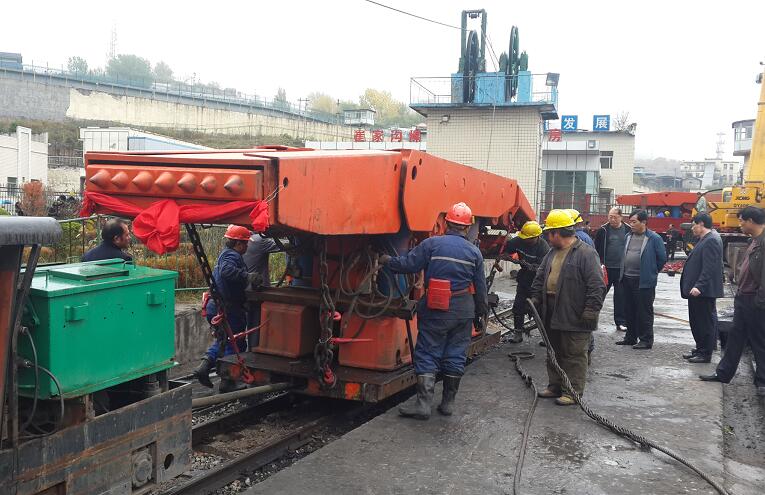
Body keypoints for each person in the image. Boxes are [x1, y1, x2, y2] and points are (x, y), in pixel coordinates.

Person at [380, 202, 488, 419]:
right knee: (456, 354)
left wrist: (387, 261)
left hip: (437, 308)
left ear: (446, 223)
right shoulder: (474, 252)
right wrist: (480, 314)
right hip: (463, 310)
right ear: (467, 227)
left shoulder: (431, 244)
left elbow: (408, 264)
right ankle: (447, 403)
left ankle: (423, 406)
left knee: (428, 351)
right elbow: (481, 288)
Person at [530, 209, 605, 406]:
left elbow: (597, 285)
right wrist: (536, 298)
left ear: (558, 233)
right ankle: (555, 386)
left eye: (549, 233)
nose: (547, 237)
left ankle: (572, 392)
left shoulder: (586, 254)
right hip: (551, 310)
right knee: (553, 350)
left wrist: (591, 310)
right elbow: (540, 277)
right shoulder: (551, 253)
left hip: (575, 312)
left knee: (574, 353)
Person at [700, 207, 765, 397]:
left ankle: (762, 381)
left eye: (742, 220)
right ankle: (723, 373)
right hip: (743, 299)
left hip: (755, 301)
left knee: (759, 341)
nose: (740, 224)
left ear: (751, 221)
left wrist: (759, 301)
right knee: (735, 338)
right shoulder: (753, 241)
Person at [193, 225, 262, 393]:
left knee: (224, 342)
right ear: (238, 243)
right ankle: (228, 381)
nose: (247, 247)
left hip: (216, 306)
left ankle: (204, 367)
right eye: (245, 243)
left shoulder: (225, 254)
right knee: (236, 343)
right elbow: (226, 272)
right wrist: (247, 276)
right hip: (228, 309)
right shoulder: (232, 255)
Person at [616, 209, 667, 349]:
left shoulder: (654, 238)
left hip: (643, 282)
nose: (631, 224)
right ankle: (630, 337)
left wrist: (651, 271)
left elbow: (662, 259)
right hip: (627, 279)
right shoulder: (628, 236)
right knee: (629, 309)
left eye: (634, 222)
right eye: (630, 222)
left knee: (644, 311)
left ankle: (646, 339)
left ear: (643, 222)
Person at [680, 213, 723, 363]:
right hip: (697, 291)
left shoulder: (711, 240)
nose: (692, 228)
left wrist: (699, 286)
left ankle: (705, 353)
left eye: (694, 225)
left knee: (704, 323)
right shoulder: (704, 239)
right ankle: (700, 349)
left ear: (702, 224)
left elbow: (709, 267)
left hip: (703, 292)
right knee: (697, 322)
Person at [503, 221, 550, 343]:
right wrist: (506, 255)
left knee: (540, 310)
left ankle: (546, 338)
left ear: (536, 237)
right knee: (518, 307)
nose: (525, 240)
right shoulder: (519, 241)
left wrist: (531, 266)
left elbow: (543, 269)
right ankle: (518, 334)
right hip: (524, 279)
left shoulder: (543, 247)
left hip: (538, 282)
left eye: (528, 239)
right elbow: (506, 249)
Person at [594, 207, 631, 332]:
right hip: (606, 269)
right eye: (610, 216)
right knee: (599, 294)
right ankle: (592, 318)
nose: (612, 219)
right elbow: (596, 249)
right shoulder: (603, 230)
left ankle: (621, 322)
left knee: (620, 296)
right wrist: (599, 264)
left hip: (621, 269)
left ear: (621, 217)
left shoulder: (628, 230)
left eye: (615, 217)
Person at [243, 233, 283, 346]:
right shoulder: (259, 240)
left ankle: (244, 349)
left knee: (243, 323)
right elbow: (285, 245)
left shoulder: (243, 241)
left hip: (242, 289)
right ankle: (253, 348)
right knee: (255, 323)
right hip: (255, 291)